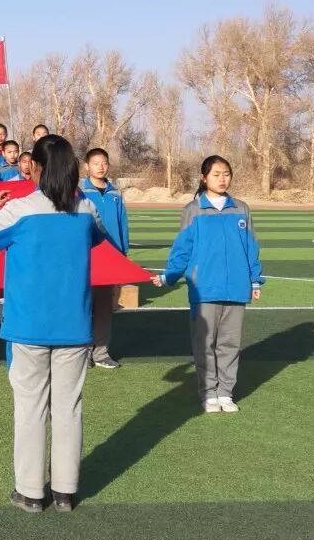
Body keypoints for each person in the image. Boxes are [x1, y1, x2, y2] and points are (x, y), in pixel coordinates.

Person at [0, 134, 106, 514]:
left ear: (37, 168)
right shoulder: (86, 209)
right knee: (68, 408)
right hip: (74, 325)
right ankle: (65, 491)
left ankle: (30, 492)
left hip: (28, 326)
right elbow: (97, 237)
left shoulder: (21, 210)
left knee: (30, 408)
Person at [152, 155, 263, 414]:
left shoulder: (241, 209)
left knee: (230, 343)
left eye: (226, 173)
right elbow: (182, 248)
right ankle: (209, 392)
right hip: (204, 289)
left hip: (236, 288)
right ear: (204, 178)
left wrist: (255, 279)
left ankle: (226, 392)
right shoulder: (193, 210)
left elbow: (251, 247)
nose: (222, 179)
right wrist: (169, 275)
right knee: (205, 344)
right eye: (216, 174)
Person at [79, 148, 129, 369]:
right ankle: (82, 352)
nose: (101, 167)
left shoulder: (115, 193)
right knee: (82, 305)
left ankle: (101, 353)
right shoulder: (79, 191)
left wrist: (123, 254)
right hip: (86, 255)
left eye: (104, 163)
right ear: (86, 166)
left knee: (103, 308)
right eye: (96, 162)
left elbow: (122, 224)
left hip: (110, 258)